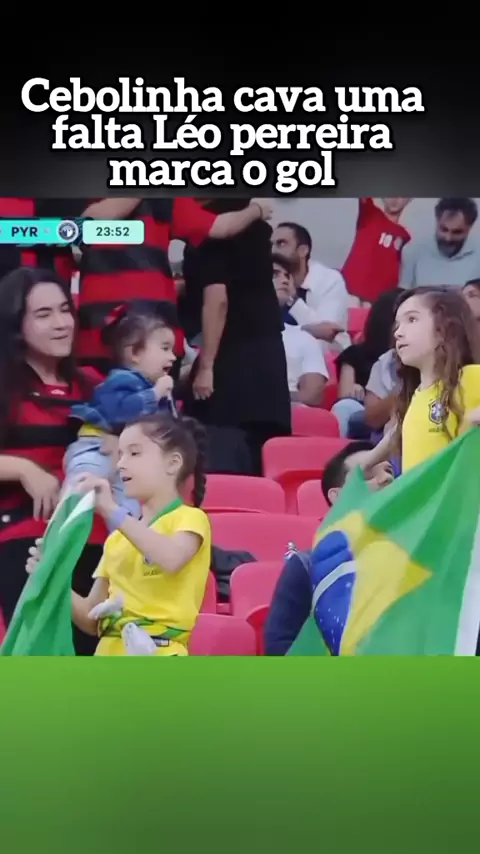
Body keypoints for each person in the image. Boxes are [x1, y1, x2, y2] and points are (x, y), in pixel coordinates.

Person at [27, 414, 211, 656]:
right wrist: (51, 577)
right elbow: (91, 619)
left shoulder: (190, 518)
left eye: (134, 453)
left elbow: (170, 558)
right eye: (120, 454)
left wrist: (111, 509)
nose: (120, 464)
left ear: (173, 463)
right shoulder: (117, 538)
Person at [0, 266, 105, 655]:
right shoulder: (6, 386)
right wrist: (23, 469)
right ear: (16, 326)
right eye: (43, 315)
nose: (62, 323)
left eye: (65, 310)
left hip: (97, 539)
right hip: (28, 541)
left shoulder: (95, 384)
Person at [59, 197, 273, 376]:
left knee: (154, 410)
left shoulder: (167, 201)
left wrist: (257, 209)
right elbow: (81, 225)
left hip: (154, 334)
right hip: (97, 335)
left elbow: (222, 227)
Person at [181, 199, 291, 476]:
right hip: (267, 366)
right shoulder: (255, 232)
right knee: (259, 468)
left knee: (221, 464)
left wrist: (206, 367)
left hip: (233, 367)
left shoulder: (211, 233)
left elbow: (218, 300)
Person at [263, 442, 394, 655]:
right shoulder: (307, 568)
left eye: (389, 471)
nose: (386, 479)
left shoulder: (417, 559)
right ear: (337, 496)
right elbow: (280, 649)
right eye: (369, 474)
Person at [65, 303, 177, 518]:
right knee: (82, 488)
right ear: (134, 352)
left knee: (130, 513)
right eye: (165, 348)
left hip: (128, 461)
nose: (172, 357)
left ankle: (125, 538)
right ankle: (61, 531)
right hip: (96, 447)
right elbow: (120, 411)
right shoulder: (120, 380)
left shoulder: (159, 390)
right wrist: (154, 395)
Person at [358, 287, 480, 474]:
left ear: (444, 330)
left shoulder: (470, 377)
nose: (398, 333)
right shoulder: (414, 396)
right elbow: (396, 434)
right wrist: (364, 465)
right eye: (397, 325)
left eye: (412, 319)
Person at [331, 289, 401, 436]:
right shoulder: (355, 354)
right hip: (366, 409)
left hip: (399, 413)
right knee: (344, 407)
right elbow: (344, 395)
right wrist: (355, 391)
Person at [271, 221, 350, 351]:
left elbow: (324, 340)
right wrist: (308, 329)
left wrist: (294, 302)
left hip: (324, 358)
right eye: (271, 245)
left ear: (303, 251)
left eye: (281, 244)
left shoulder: (329, 280)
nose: (273, 250)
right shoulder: (266, 278)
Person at [273, 255, 328, 406]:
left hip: (289, 411)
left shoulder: (304, 337)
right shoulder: (231, 333)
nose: (285, 281)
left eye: (287, 276)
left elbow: (312, 396)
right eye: (274, 274)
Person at [341, 197, 411, 305]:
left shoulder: (405, 237)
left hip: (377, 302)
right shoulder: (370, 214)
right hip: (349, 292)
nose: (395, 198)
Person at [400, 198, 480, 288]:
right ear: (437, 220)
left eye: (457, 232)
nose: (448, 238)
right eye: (444, 229)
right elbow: (403, 292)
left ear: (470, 227)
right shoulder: (413, 250)